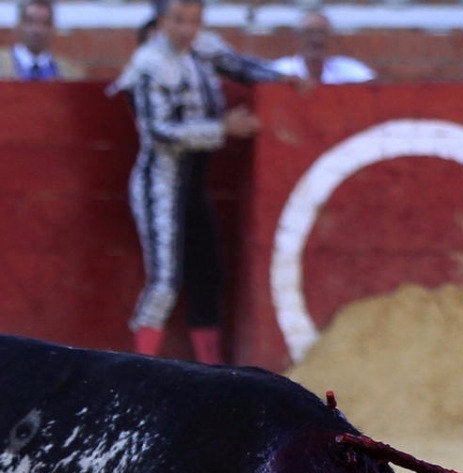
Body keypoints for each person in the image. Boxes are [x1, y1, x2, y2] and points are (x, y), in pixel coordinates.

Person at [109, 0, 291, 365]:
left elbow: (244, 68)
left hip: (194, 186)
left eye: (194, 21)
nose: (187, 30)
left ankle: (207, 373)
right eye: (178, 21)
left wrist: (284, 79)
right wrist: (222, 128)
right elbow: (159, 132)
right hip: (158, 186)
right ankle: (140, 373)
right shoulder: (147, 65)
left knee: (208, 274)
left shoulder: (206, 48)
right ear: (161, 22)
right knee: (165, 282)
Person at [269, 11, 376, 86]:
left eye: (322, 33)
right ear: (297, 38)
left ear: (331, 38)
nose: (316, 40)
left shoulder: (349, 68)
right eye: (309, 33)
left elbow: (374, 86)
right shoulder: (280, 70)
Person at [0, 0, 85, 80]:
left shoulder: (70, 73)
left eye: (45, 23)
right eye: (30, 21)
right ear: (18, 25)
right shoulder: (2, 64)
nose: (37, 30)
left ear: (53, 28)